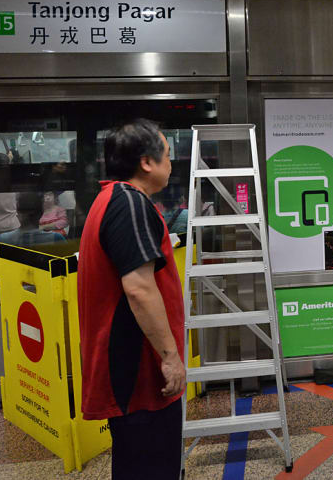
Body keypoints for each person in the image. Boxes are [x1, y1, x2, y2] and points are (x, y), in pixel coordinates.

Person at [77, 119, 185, 480]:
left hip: (131, 370)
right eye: (167, 155)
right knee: (151, 465)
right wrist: (170, 357)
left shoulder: (112, 200)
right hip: (140, 373)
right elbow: (138, 288)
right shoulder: (129, 204)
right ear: (146, 162)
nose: (172, 163)